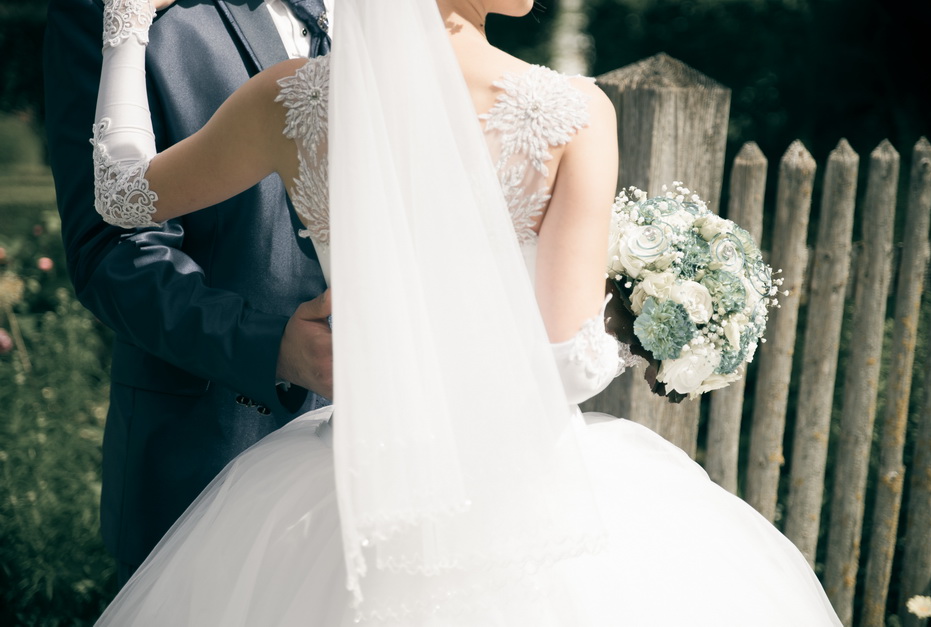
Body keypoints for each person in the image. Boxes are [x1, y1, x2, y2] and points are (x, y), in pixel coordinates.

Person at [88, 0, 843, 624]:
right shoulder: (575, 113)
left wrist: (126, 28)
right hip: (524, 498)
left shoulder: (295, 100)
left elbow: (120, 194)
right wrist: (636, 324)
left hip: (350, 485)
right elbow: (569, 364)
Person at [43, 0, 334, 585]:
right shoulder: (108, 10)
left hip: (387, 454)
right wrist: (273, 348)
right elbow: (112, 248)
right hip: (205, 455)